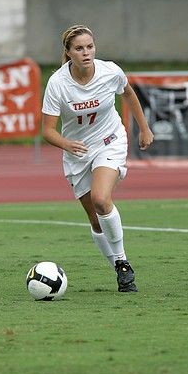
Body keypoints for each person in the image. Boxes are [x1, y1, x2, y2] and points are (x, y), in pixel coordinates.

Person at [42, 24, 154, 292]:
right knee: (95, 220)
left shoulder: (110, 71)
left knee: (101, 200)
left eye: (90, 47)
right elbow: (47, 131)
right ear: (68, 53)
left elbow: (128, 93)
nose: (86, 52)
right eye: (79, 48)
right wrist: (66, 143)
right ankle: (117, 265)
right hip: (77, 152)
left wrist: (144, 127)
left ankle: (123, 262)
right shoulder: (58, 83)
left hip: (109, 141)